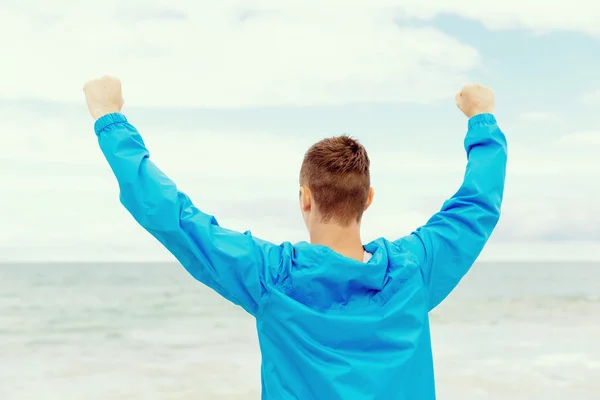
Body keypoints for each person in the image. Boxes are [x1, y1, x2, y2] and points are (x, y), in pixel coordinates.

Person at [83, 76, 507, 399]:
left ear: (305, 199)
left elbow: (174, 217)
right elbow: (476, 207)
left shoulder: (269, 277)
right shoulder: (414, 272)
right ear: (368, 198)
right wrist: (481, 117)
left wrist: (109, 117)